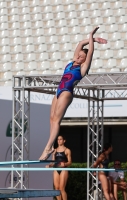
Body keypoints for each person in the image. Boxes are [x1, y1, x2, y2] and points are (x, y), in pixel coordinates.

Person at [39, 27, 107, 160]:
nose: (79, 56)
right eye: (79, 54)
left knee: (57, 120)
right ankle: (50, 147)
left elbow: (90, 51)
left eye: (82, 56)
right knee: (51, 119)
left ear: (84, 60)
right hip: (58, 91)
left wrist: (91, 35)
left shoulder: (82, 68)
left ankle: (47, 148)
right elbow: (81, 43)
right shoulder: (71, 62)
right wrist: (93, 39)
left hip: (66, 92)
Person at [46, 135, 72, 200]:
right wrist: (49, 165)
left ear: (64, 141)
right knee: (57, 188)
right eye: (58, 139)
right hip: (56, 169)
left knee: (62, 188)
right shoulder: (54, 150)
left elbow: (70, 162)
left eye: (60, 139)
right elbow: (53, 162)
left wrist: (65, 163)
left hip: (63, 169)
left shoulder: (67, 150)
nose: (59, 141)